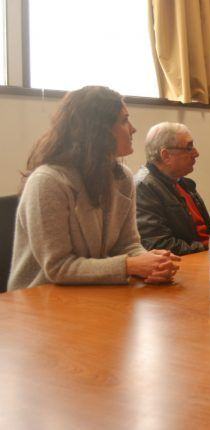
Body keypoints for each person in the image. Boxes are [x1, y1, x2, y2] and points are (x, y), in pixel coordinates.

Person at [8, 86, 180, 292]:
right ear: (98, 129)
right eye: (124, 120)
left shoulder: (123, 177)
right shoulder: (47, 182)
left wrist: (150, 263)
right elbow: (58, 268)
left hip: (93, 292)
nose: (133, 129)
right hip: (38, 302)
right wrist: (131, 265)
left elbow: (127, 245)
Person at [134, 122, 210, 255]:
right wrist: (207, 248)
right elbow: (158, 244)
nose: (196, 153)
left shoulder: (185, 183)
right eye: (189, 148)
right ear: (166, 155)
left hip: (207, 256)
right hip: (186, 264)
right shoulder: (144, 187)